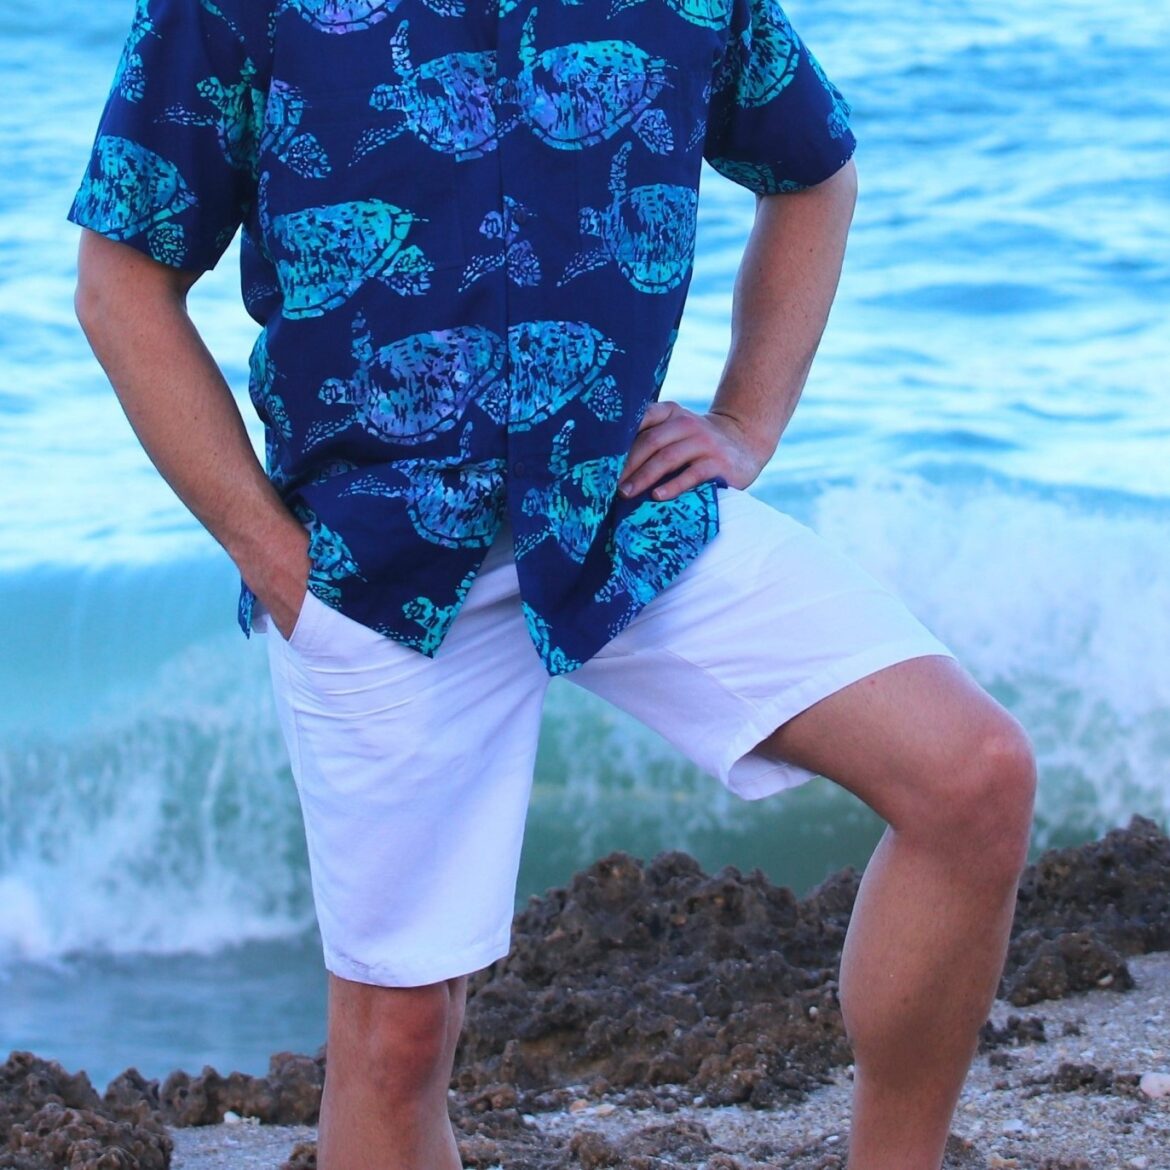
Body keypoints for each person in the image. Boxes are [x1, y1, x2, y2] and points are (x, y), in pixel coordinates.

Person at [69, 1, 1035, 1167]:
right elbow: (121, 279)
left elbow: (814, 171)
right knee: (397, 1042)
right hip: (375, 563)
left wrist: (745, 420)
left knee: (972, 780)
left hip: (617, 510)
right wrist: (278, 568)